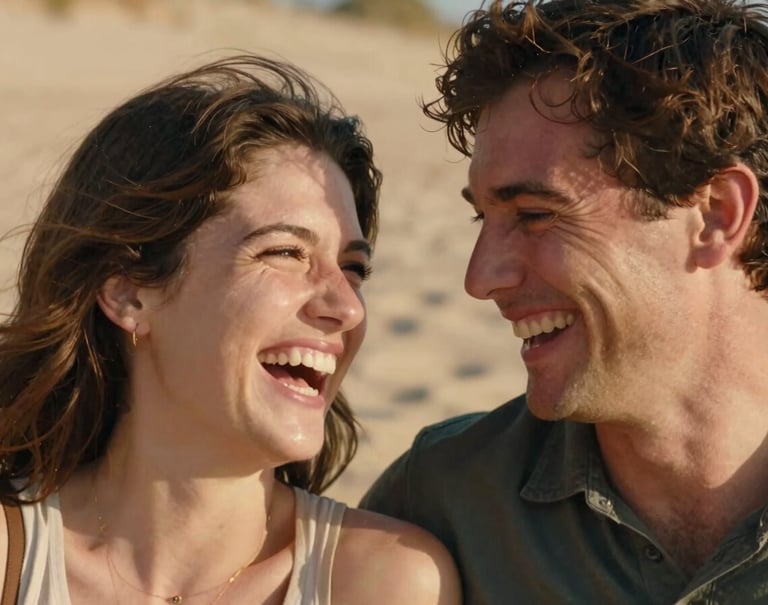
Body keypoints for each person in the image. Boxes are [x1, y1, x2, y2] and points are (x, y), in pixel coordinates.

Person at [0, 53, 461, 605]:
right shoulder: (10, 555)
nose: (348, 308)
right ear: (129, 293)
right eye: (286, 252)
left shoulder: (383, 583)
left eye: (354, 269)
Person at [360, 0, 768, 603]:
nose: (480, 278)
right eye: (482, 217)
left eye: (533, 215)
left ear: (715, 215)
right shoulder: (441, 505)